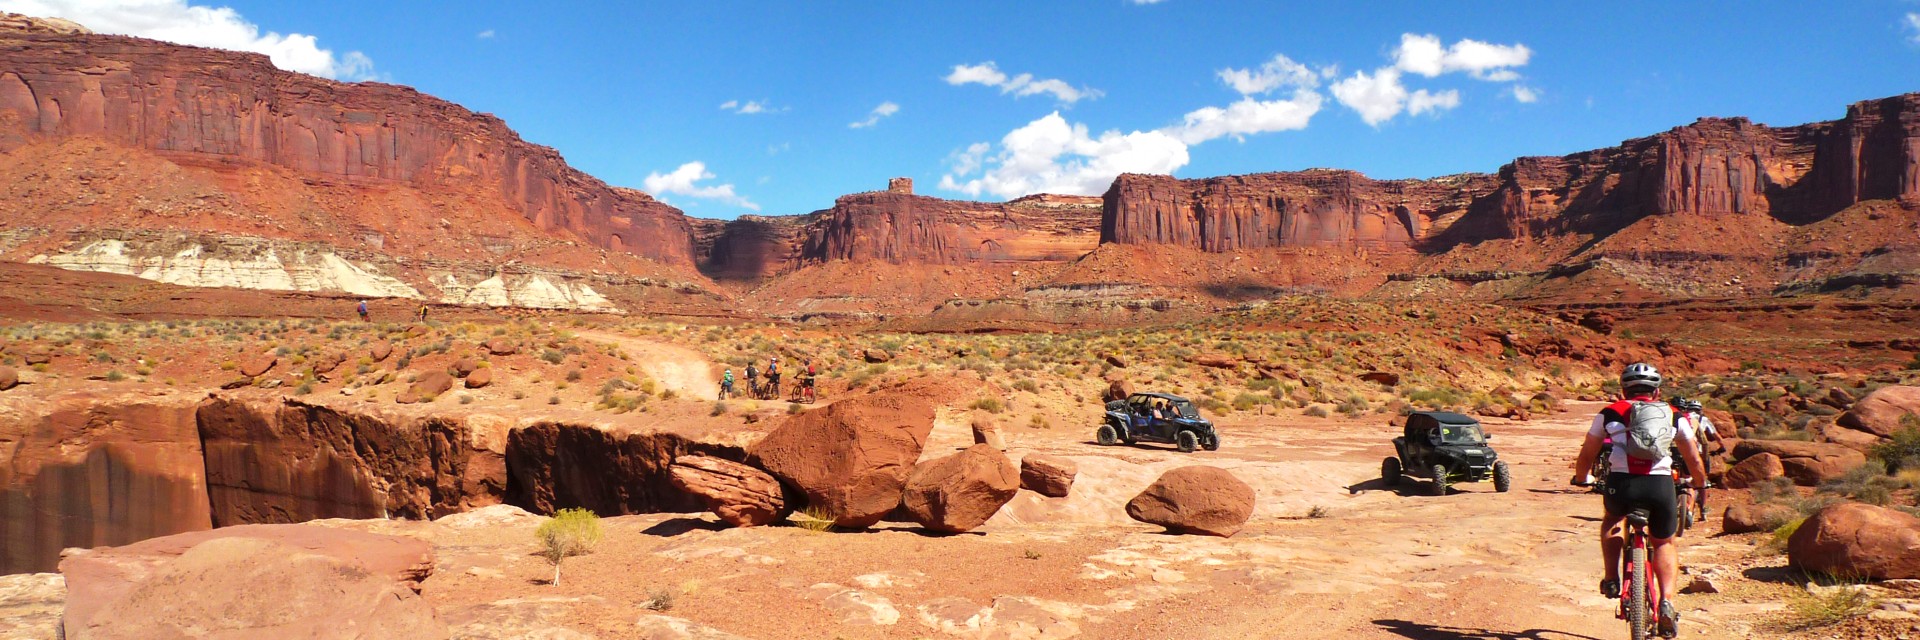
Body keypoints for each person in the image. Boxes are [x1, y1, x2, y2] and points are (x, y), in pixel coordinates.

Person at [1571, 363, 1706, 637]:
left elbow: (1588, 451)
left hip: (1621, 484)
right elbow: (1692, 456)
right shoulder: (1673, 414)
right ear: (1656, 392)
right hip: (1660, 485)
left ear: (1623, 390)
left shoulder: (1610, 412)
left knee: (1612, 519)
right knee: (1664, 541)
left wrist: (1582, 477)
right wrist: (1701, 483)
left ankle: (1611, 579)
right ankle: (1666, 601)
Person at [1670, 398, 1723, 519]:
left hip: (1671, 452)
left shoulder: (1667, 417)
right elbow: (1706, 442)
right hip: (1692, 452)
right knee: (1697, 480)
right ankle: (1696, 509)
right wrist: (1705, 458)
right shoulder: (1697, 420)